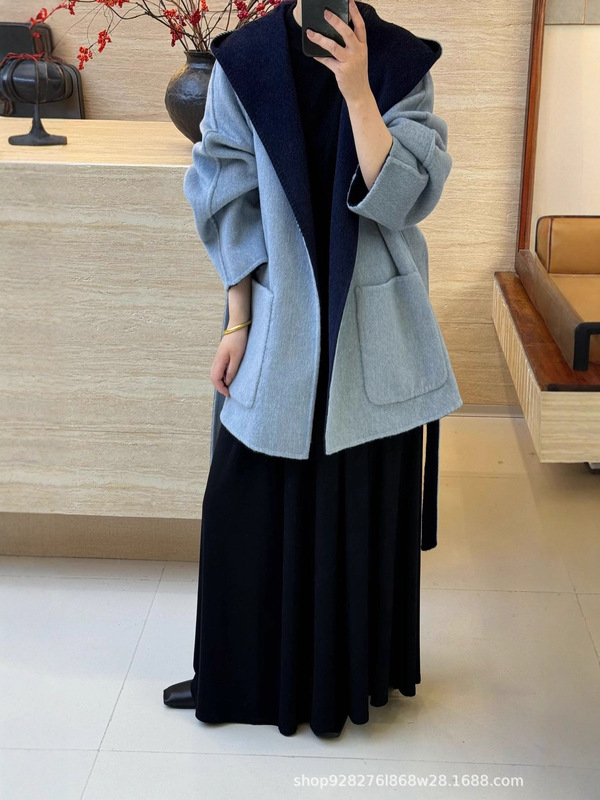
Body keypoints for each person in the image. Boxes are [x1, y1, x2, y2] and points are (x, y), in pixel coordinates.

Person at [164, 0, 461, 738]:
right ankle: (238, 677)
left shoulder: (400, 61)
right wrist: (237, 320)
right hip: (280, 319)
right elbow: (225, 194)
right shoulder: (245, 61)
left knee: (352, 507)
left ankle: (344, 683)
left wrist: (358, 91)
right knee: (243, 499)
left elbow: (405, 200)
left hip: (371, 328)